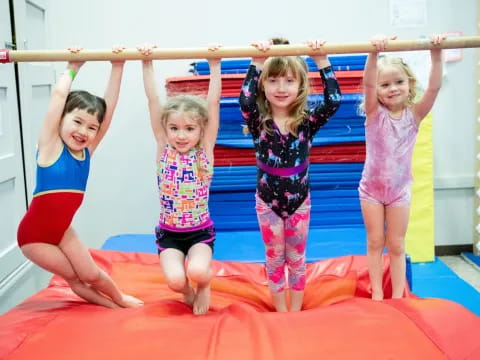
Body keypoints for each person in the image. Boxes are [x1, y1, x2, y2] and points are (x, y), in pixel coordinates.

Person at [17, 46, 143, 309]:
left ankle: (118, 300)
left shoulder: (86, 152)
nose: (83, 131)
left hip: (62, 231)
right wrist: (73, 67)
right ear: (61, 119)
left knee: (91, 274)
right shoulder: (50, 147)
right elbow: (58, 95)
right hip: (33, 237)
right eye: (77, 122)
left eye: (91, 127)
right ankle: (109, 306)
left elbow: (109, 111)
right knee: (74, 277)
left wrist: (117, 67)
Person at [239, 39, 341, 312]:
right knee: (274, 260)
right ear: (263, 85)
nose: (281, 88)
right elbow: (245, 99)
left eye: (288, 81)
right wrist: (256, 62)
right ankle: (280, 311)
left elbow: (334, 101)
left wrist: (322, 60)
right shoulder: (257, 120)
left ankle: (294, 311)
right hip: (267, 203)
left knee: (296, 258)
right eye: (273, 81)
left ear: (300, 86)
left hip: (299, 203)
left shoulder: (306, 121)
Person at [359, 34, 446, 300]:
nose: (393, 88)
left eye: (399, 82)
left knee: (396, 244)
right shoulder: (374, 114)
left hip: (399, 192)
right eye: (385, 84)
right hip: (371, 191)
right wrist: (373, 54)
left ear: (409, 84)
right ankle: (376, 292)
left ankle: (398, 295)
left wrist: (436, 54)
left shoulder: (415, 115)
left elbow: (433, 88)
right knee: (375, 242)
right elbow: (368, 84)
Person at [138, 44, 222, 315]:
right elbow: (153, 103)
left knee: (198, 271)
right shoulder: (164, 151)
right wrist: (146, 64)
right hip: (170, 234)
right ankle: (188, 292)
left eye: (189, 128)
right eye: (174, 128)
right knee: (175, 281)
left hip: (199, 233)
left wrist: (215, 65)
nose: (181, 135)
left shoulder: (204, 152)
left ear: (201, 130)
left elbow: (213, 104)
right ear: (166, 129)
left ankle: (204, 285)